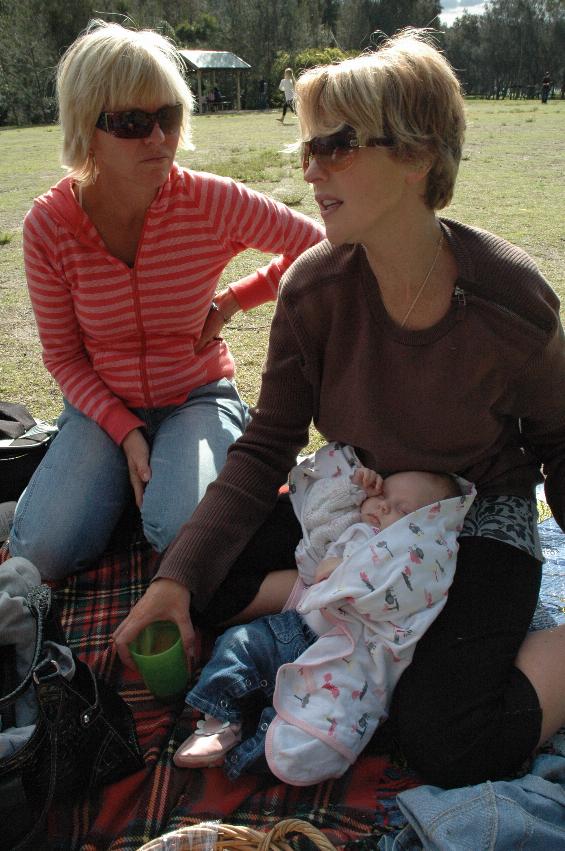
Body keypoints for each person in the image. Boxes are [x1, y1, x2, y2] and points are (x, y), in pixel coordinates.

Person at [115, 29, 565, 790]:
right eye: (306, 148)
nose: (311, 168)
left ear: (418, 156)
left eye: (337, 145)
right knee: (200, 574)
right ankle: (365, 611)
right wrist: (177, 583)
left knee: (446, 737)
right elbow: (265, 448)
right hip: (360, 500)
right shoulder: (313, 289)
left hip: (475, 507)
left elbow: (559, 440)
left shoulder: (508, 300)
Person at [8, 20, 323, 582]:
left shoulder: (208, 200)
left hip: (196, 397)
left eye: (168, 117)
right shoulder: (49, 227)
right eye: (131, 122)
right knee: (42, 554)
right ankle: (125, 481)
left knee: (182, 533)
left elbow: (318, 246)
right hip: (101, 408)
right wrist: (124, 429)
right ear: (87, 129)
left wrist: (232, 301)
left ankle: (151, 489)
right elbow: (63, 358)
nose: (157, 139)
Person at [172, 443, 474, 783]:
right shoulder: (357, 527)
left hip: (347, 664)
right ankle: (220, 720)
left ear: (425, 527)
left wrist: (347, 578)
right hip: (297, 628)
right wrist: (356, 488)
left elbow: (400, 597)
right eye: (383, 497)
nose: (384, 507)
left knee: (310, 745)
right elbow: (320, 515)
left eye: (400, 511)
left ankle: (253, 743)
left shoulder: (424, 560)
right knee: (237, 643)